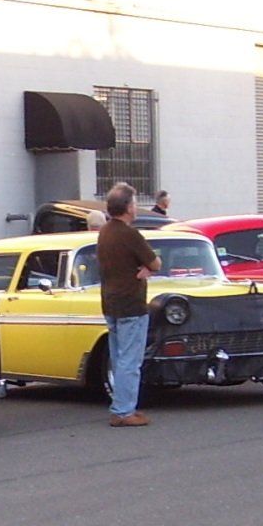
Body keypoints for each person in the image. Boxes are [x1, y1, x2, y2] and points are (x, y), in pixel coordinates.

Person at [97, 183, 161, 428]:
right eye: (134, 203)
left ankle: (120, 406)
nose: (136, 207)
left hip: (110, 301)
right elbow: (155, 263)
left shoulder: (104, 232)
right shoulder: (129, 234)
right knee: (130, 360)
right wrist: (148, 268)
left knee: (118, 357)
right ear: (127, 207)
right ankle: (124, 410)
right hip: (131, 303)